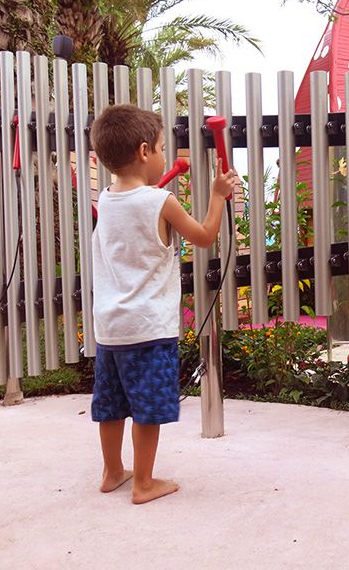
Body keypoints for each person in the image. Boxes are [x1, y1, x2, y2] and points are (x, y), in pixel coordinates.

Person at [89, 104, 236, 504]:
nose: (164, 157)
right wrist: (218, 196)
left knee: (111, 405)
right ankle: (143, 483)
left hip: (110, 329)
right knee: (148, 409)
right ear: (143, 152)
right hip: (148, 328)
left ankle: (113, 471)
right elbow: (205, 236)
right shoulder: (161, 202)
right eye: (160, 148)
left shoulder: (105, 201)